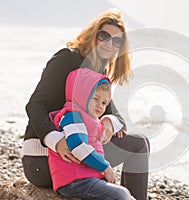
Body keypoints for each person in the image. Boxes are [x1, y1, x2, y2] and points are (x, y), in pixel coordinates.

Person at [21, 8, 149, 200]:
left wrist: (108, 122)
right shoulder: (68, 58)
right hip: (44, 158)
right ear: (92, 34)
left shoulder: (97, 72)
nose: (109, 43)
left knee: (140, 144)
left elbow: (118, 117)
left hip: (81, 150)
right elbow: (35, 104)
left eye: (117, 41)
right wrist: (56, 141)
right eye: (104, 35)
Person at [48, 68, 134, 199]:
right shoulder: (72, 116)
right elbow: (79, 146)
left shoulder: (90, 118)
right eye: (95, 99)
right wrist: (106, 168)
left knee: (121, 192)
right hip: (74, 181)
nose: (100, 105)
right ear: (81, 95)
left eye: (104, 103)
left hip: (86, 177)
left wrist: (112, 122)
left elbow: (106, 130)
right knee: (121, 195)